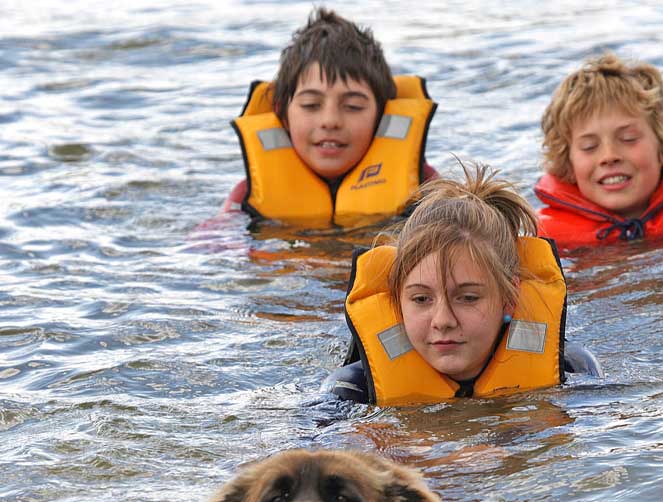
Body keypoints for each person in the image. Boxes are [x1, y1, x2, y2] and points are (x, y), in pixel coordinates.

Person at [322, 162, 601, 406]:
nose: (443, 321)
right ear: (397, 301)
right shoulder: (351, 391)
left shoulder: (570, 371)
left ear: (510, 297)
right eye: (421, 299)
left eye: (467, 298)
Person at [220, 8, 438, 229]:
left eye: (353, 107)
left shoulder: (426, 190)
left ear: (382, 116)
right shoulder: (247, 199)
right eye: (311, 105)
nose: (330, 120)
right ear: (283, 114)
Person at [534, 52, 663, 248]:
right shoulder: (544, 241)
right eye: (589, 147)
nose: (609, 156)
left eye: (628, 139)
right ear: (568, 165)